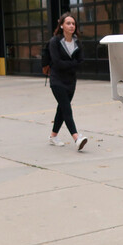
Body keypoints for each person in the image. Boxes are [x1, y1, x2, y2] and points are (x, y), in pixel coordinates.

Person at [47, 12, 88, 151]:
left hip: (70, 81)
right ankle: (77, 138)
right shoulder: (55, 42)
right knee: (67, 108)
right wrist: (73, 63)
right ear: (62, 26)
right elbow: (57, 63)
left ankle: (53, 136)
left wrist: (70, 63)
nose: (71, 26)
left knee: (62, 108)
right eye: (68, 23)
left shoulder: (77, 42)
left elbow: (81, 62)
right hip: (57, 80)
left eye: (73, 23)